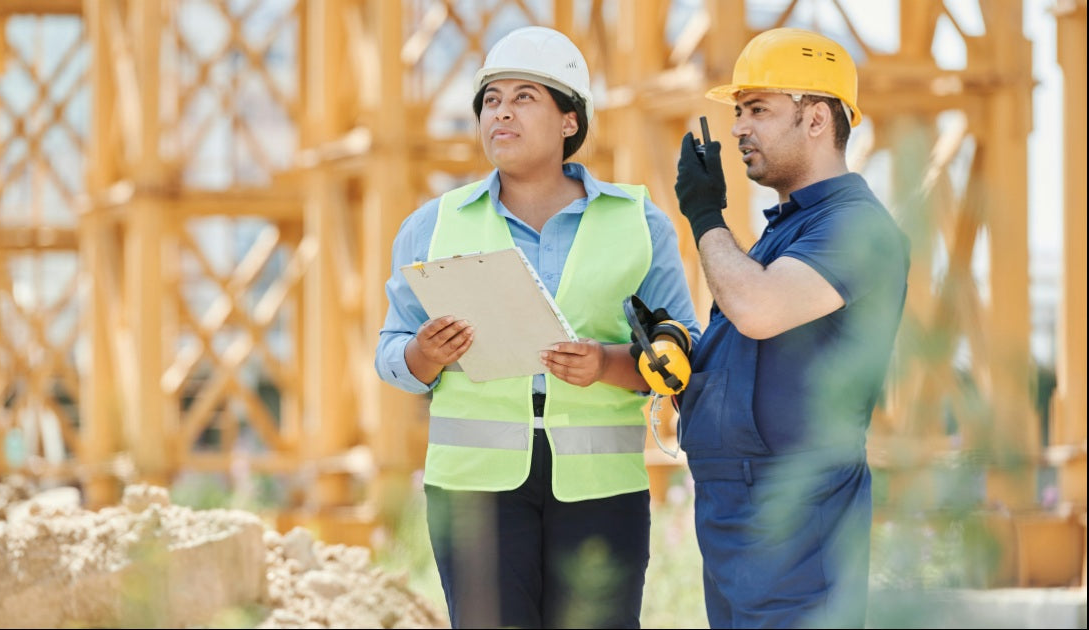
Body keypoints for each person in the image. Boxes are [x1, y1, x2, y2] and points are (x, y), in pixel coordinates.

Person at [374, 25, 700, 629]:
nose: (502, 113)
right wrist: (425, 354)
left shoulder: (637, 223)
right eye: (491, 101)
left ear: (569, 120)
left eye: (524, 97)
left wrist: (607, 363)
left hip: (602, 488)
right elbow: (391, 353)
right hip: (473, 493)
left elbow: (684, 351)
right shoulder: (431, 226)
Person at [672, 27, 911, 628]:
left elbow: (760, 310)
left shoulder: (857, 229)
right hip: (738, 517)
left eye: (758, 109)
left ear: (816, 119)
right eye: (737, 111)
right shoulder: (785, 234)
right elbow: (752, 348)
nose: (737, 128)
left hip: (798, 525)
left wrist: (705, 215)